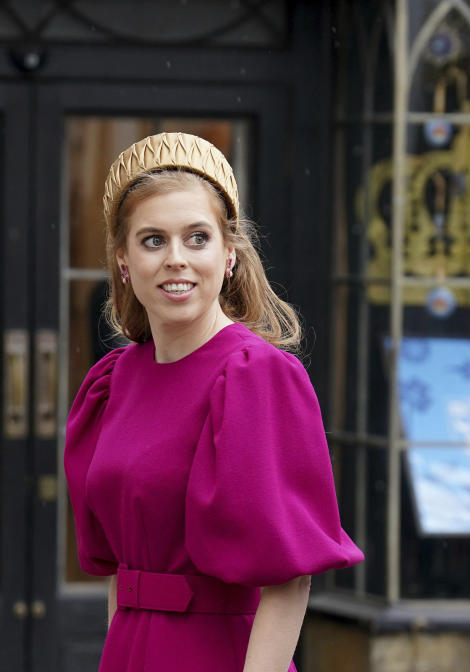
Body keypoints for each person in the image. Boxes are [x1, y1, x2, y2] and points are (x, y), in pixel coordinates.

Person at [64, 132, 363, 672]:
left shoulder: (257, 376)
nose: (176, 259)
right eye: (153, 240)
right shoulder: (113, 381)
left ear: (229, 254)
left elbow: (289, 577)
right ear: (123, 261)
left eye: (196, 238)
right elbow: (122, 572)